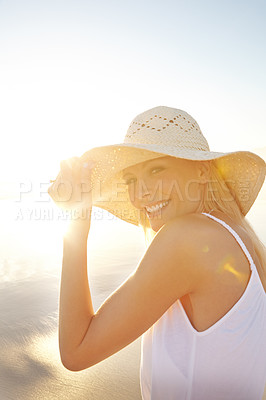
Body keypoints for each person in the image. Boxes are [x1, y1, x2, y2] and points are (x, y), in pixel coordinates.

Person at [48, 106, 266, 399]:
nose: (140, 195)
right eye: (131, 180)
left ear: (201, 170)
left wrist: (76, 224)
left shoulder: (187, 240)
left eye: (156, 169)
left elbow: (76, 351)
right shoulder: (242, 240)